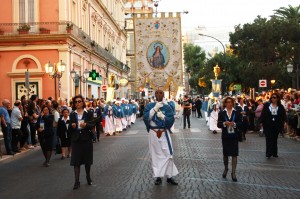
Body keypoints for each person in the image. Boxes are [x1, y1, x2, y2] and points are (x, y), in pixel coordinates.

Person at [143, 89, 178, 185]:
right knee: (155, 155)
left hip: (164, 133)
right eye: (157, 93)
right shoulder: (150, 106)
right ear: (154, 94)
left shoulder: (167, 107)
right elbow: (146, 117)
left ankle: (169, 176)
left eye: (161, 93)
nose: (158, 94)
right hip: (154, 133)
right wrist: (154, 109)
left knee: (168, 154)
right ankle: (158, 176)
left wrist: (163, 117)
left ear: (163, 94)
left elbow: (171, 119)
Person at [69, 95, 95, 190]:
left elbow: (93, 123)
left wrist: (86, 125)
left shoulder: (88, 113)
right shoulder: (72, 114)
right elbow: (69, 128)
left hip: (86, 139)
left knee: (87, 160)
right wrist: (72, 126)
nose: (77, 103)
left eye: (79, 101)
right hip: (76, 140)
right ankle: (76, 181)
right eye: (75, 102)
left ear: (83, 102)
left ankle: (88, 177)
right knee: (76, 161)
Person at [217, 97, 242, 182]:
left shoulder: (236, 112)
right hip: (226, 136)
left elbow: (241, 123)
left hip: (234, 136)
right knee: (226, 154)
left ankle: (233, 173)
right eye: (227, 102)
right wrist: (224, 123)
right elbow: (218, 124)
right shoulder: (222, 113)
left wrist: (234, 124)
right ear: (225, 103)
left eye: (231, 102)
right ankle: (226, 168)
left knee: (234, 154)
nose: (229, 104)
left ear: (233, 103)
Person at [259, 93, 287, 159]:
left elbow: (283, 115)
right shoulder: (267, 105)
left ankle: (274, 152)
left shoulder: (280, 106)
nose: (273, 99)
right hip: (268, 124)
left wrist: (285, 122)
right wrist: (261, 122)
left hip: (277, 124)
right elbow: (263, 114)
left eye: (274, 97)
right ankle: (268, 153)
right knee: (268, 138)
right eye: (272, 97)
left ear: (277, 99)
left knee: (274, 138)